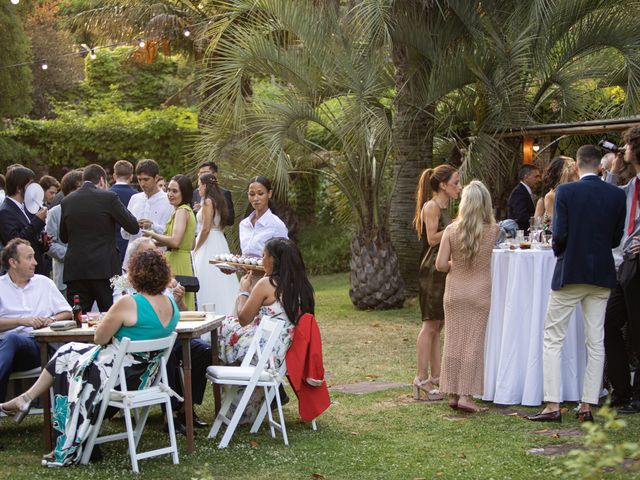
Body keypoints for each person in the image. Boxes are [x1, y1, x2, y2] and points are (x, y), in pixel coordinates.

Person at [0, 249, 180, 466]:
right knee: (68, 354)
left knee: (67, 361)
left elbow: (99, 337)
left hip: (118, 377)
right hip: (146, 379)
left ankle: (70, 437)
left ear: (135, 274)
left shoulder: (129, 303)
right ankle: (27, 400)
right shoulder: (171, 304)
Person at [527, 145, 626, 423]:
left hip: (570, 272)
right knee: (596, 341)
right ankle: (587, 405)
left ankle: (552, 404)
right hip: (601, 275)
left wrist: (564, 255)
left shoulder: (566, 193)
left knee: (553, 337)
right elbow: (616, 239)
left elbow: (559, 235)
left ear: (578, 164)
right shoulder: (617, 195)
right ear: (599, 167)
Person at [218, 237, 314, 423]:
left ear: (274, 260)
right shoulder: (303, 286)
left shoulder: (267, 284)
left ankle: (230, 401)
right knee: (228, 330)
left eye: (264, 256)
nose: (261, 261)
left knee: (223, 329)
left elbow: (244, 318)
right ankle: (248, 402)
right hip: (282, 352)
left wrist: (244, 291)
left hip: (261, 352)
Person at [435, 180, 500, 413]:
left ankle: (452, 393)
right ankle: (466, 395)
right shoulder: (493, 231)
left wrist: (456, 264)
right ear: (485, 204)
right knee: (473, 343)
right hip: (479, 293)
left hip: (455, 293)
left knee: (453, 341)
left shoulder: (451, 231)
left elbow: (441, 265)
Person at [0, 238, 72, 402]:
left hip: (37, 349)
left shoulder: (44, 283)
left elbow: (67, 312)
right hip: (4, 350)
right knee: (10, 340)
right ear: (13, 262)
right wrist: (21, 321)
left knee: (12, 339)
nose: (35, 262)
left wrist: (50, 319)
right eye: (29, 258)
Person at [60, 164, 140, 312]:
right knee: (111, 316)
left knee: (79, 319)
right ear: (102, 180)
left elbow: (63, 237)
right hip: (104, 268)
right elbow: (133, 226)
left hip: (76, 270)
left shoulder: (67, 201)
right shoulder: (108, 197)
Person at [412, 165, 461, 400]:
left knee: (438, 325)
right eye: (456, 183)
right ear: (443, 185)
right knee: (429, 324)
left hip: (442, 269)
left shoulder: (445, 207)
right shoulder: (431, 206)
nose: (459, 188)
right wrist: (457, 226)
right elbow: (432, 239)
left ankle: (437, 376)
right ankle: (421, 377)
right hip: (431, 270)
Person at [603, 127, 640, 413]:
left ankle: (637, 395)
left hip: (637, 264)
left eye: (626, 146)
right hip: (621, 265)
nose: (622, 150)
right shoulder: (632, 186)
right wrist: (614, 169)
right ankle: (621, 390)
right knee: (609, 324)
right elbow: (606, 197)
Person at [142, 175, 197, 310]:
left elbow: (175, 241)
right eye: (168, 190)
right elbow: (190, 243)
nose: (170, 194)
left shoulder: (182, 211)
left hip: (177, 261)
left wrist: (152, 233)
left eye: (175, 191)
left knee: (175, 302)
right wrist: (153, 242)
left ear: (184, 193)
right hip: (182, 259)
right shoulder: (184, 210)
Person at [193, 172, 239, 316]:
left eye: (199, 185)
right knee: (222, 280)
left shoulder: (207, 201)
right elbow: (221, 224)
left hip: (208, 240)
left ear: (205, 185)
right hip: (219, 238)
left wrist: (196, 247)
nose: (198, 189)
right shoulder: (218, 200)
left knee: (206, 276)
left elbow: (206, 228)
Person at [121, 159, 173, 267]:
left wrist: (153, 226)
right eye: (139, 180)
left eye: (146, 179)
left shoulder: (168, 201)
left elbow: (171, 235)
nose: (142, 183)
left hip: (157, 262)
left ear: (156, 178)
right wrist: (132, 225)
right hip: (132, 261)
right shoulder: (134, 198)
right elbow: (124, 234)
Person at [0, 166, 49, 276]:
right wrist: (37, 221)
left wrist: (43, 242)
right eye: (30, 184)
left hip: (35, 268)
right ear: (19, 187)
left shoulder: (25, 207)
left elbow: (30, 237)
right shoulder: (5, 211)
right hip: (20, 273)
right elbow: (15, 242)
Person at [45, 170, 84, 298]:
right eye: (80, 188)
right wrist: (72, 255)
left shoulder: (92, 210)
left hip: (88, 276)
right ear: (70, 190)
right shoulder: (55, 213)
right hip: (64, 277)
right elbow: (49, 244)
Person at [239, 176, 288, 258]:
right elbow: (244, 256)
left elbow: (284, 258)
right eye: (252, 194)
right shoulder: (244, 224)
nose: (256, 198)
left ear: (269, 194)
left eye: (260, 194)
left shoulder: (277, 225)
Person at [109, 160, 138, 267]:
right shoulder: (137, 196)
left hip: (111, 247)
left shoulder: (106, 195)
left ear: (114, 175)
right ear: (131, 176)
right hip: (131, 246)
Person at [534, 157, 578, 224]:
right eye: (571, 165)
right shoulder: (552, 196)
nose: (575, 166)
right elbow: (556, 225)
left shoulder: (579, 188)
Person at [192, 162, 235, 226]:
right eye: (200, 173)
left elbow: (230, 220)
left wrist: (211, 210)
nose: (202, 176)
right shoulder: (195, 193)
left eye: (205, 173)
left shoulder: (224, 193)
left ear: (215, 174)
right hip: (196, 234)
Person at [507, 164, 541, 232]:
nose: (539, 180)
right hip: (521, 234)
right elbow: (521, 216)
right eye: (536, 177)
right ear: (526, 177)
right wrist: (539, 217)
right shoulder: (519, 192)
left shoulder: (525, 191)